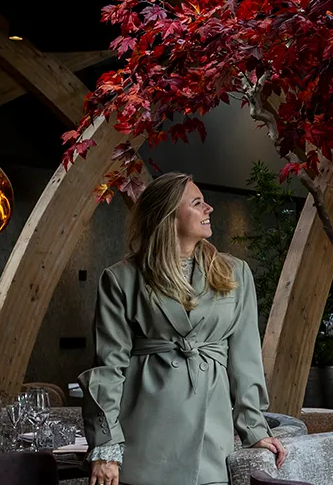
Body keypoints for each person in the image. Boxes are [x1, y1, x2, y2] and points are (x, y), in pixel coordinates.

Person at [82, 172, 288, 485]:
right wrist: (106, 446)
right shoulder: (122, 278)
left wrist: (254, 428)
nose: (209, 209)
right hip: (145, 440)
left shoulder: (235, 273)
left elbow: (246, 360)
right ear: (168, 216)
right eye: (197, 203)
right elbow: (108, 369)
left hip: (212, 441)